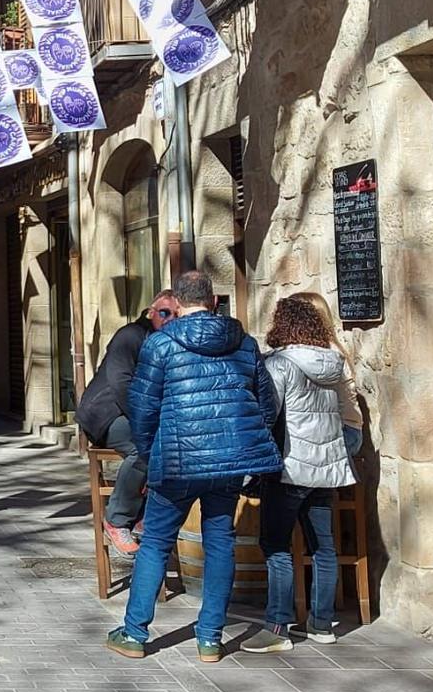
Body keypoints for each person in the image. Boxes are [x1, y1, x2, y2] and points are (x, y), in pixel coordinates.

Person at [107, 271, 280, 663]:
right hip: (227, 463)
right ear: (214, 301)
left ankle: (134, 633)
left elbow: (143, 408)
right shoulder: (244, 344)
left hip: (177, 459)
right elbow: (266, 404)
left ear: (178, 304)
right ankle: (210, 639)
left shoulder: (161, 344)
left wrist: (151, 456)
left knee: (155, 542)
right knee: (221, 543)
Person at [248, 294, 365, 654]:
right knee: (324, 547)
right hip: (327, 468)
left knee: (276, 546)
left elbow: (269, 414)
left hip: (290, 466)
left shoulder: (280, 364)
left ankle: (278, 628)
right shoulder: (332, 363)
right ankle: (321, 624)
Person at [75, 291, 181, 557]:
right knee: (144, 449)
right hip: (105, 413)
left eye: (175, 314)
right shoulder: (131, 336)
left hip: (138, 415)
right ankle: (117, 519)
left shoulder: (169, 342)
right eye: (163, 313)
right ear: (150, 312)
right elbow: (120, 382)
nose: (169, 319)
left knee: (172, 449)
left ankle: (144, 515)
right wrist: (145, 422)